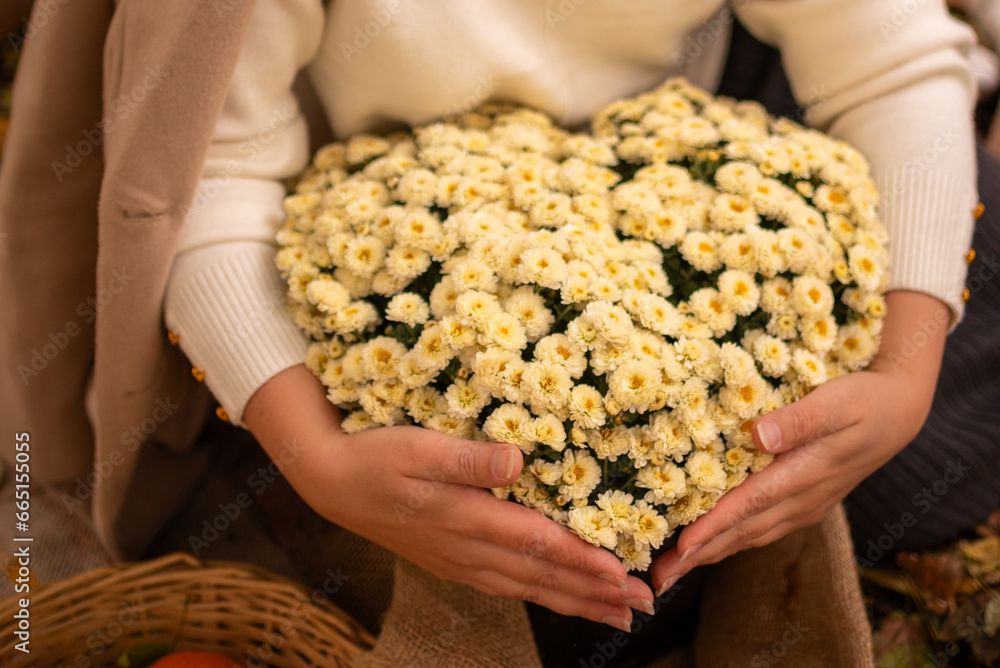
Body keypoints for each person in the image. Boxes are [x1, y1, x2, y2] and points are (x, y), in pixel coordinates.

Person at [1, 1, 995, 666]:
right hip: (377, 249)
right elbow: (207, 185)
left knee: (948, 292)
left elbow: (890, 62)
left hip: (672, 170)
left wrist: (905, 373)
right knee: (536, 580)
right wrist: (322, 460)